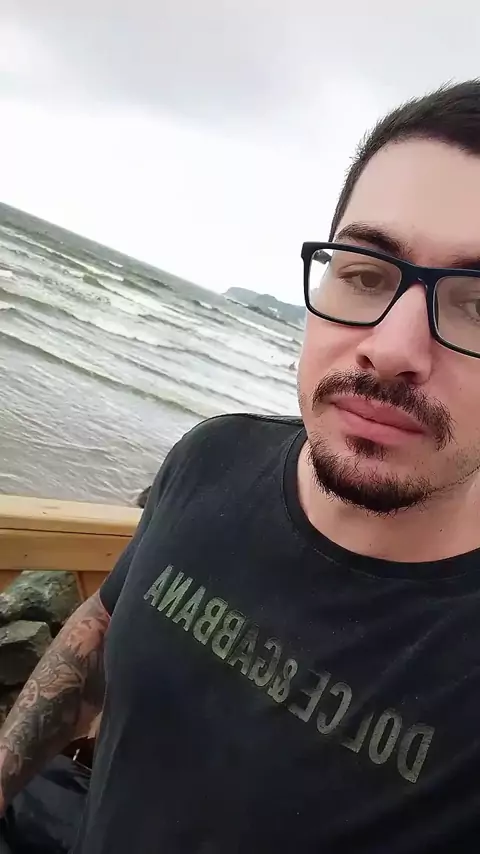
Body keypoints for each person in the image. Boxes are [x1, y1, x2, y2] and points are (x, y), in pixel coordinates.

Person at [3, 80, 480, 854]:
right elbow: (100, 627)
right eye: (365, 273)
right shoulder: (211, 458)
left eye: (478, 304)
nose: (392, 348)